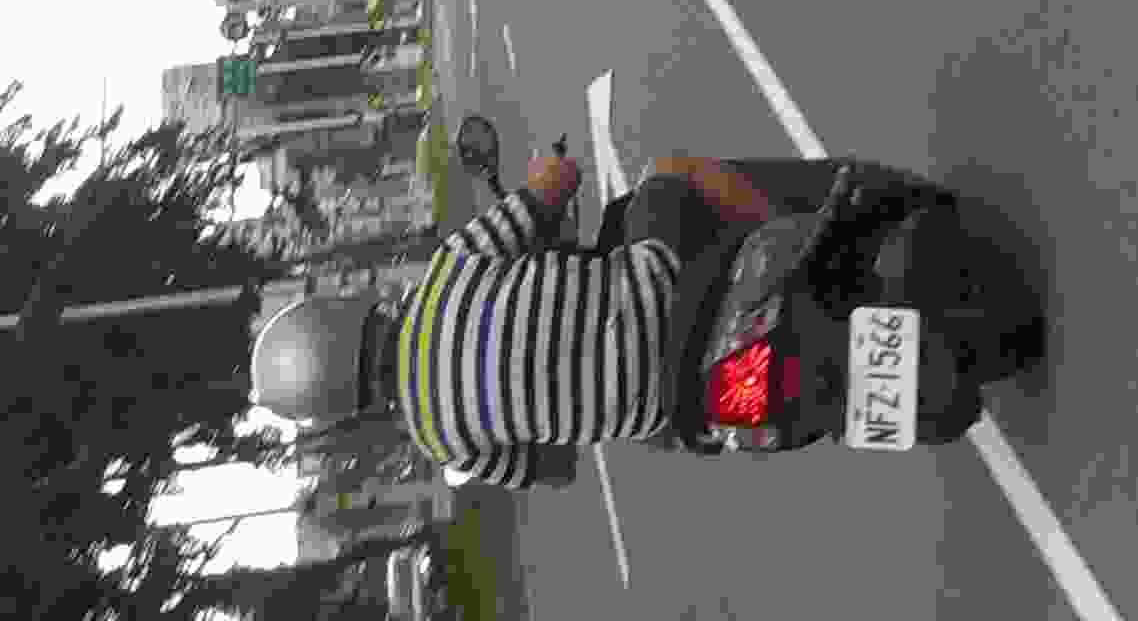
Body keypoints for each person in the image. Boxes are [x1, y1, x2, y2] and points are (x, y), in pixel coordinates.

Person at [250, 146, 847, 481]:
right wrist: (549, 171)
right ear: (342, 316)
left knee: (660, 434)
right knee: (669, 175)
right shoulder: (448, 270)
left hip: (682, 407)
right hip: (672, 291)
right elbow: (553, 188)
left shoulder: (443, 443)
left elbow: (556, 469)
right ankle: (813, 221)